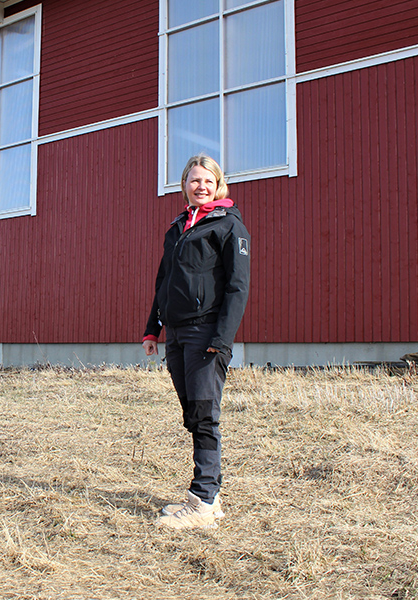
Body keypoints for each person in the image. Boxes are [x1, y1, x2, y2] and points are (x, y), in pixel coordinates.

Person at [143, 154, 250, 530]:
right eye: (193, 180)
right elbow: (164, 281)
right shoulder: (179, 228)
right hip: (176, 335)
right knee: (192, 413)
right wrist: (152, 329)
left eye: (207, 180)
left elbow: (238, 288)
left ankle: (203, 503)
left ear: (218, 184)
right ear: (184, 185)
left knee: (205, 414)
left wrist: (221, 340)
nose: (200, 186)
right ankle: (208, 496)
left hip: (206, 334)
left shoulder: (228, 226)